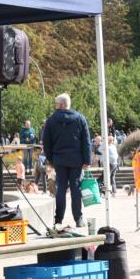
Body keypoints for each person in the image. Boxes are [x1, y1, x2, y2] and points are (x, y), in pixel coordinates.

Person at [42, 92, 91, 228]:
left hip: (59, 160)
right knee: (76, 188)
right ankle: (78, 219)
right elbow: (86, 141)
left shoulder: (51, 120)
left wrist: (51, 159)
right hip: (76, 160)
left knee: (61, 188)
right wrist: (86, 160)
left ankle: (58, 219)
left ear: (61, 104)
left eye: (56, 103)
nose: (55, 106)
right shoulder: (80, 118)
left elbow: (46, 142)